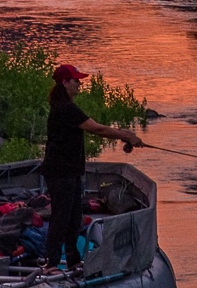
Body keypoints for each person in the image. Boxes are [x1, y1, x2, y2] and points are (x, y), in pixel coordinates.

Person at [43, 63, 139, 272]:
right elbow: (96, 128)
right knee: (61, 217)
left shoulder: (65, 105)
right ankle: (51, 263)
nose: (80, 84)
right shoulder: (65, 108)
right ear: (65, 82)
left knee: (73, 217)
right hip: (60, 173)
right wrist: (126, 135)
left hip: (71, 172)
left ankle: (73, 260)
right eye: (76, 81)